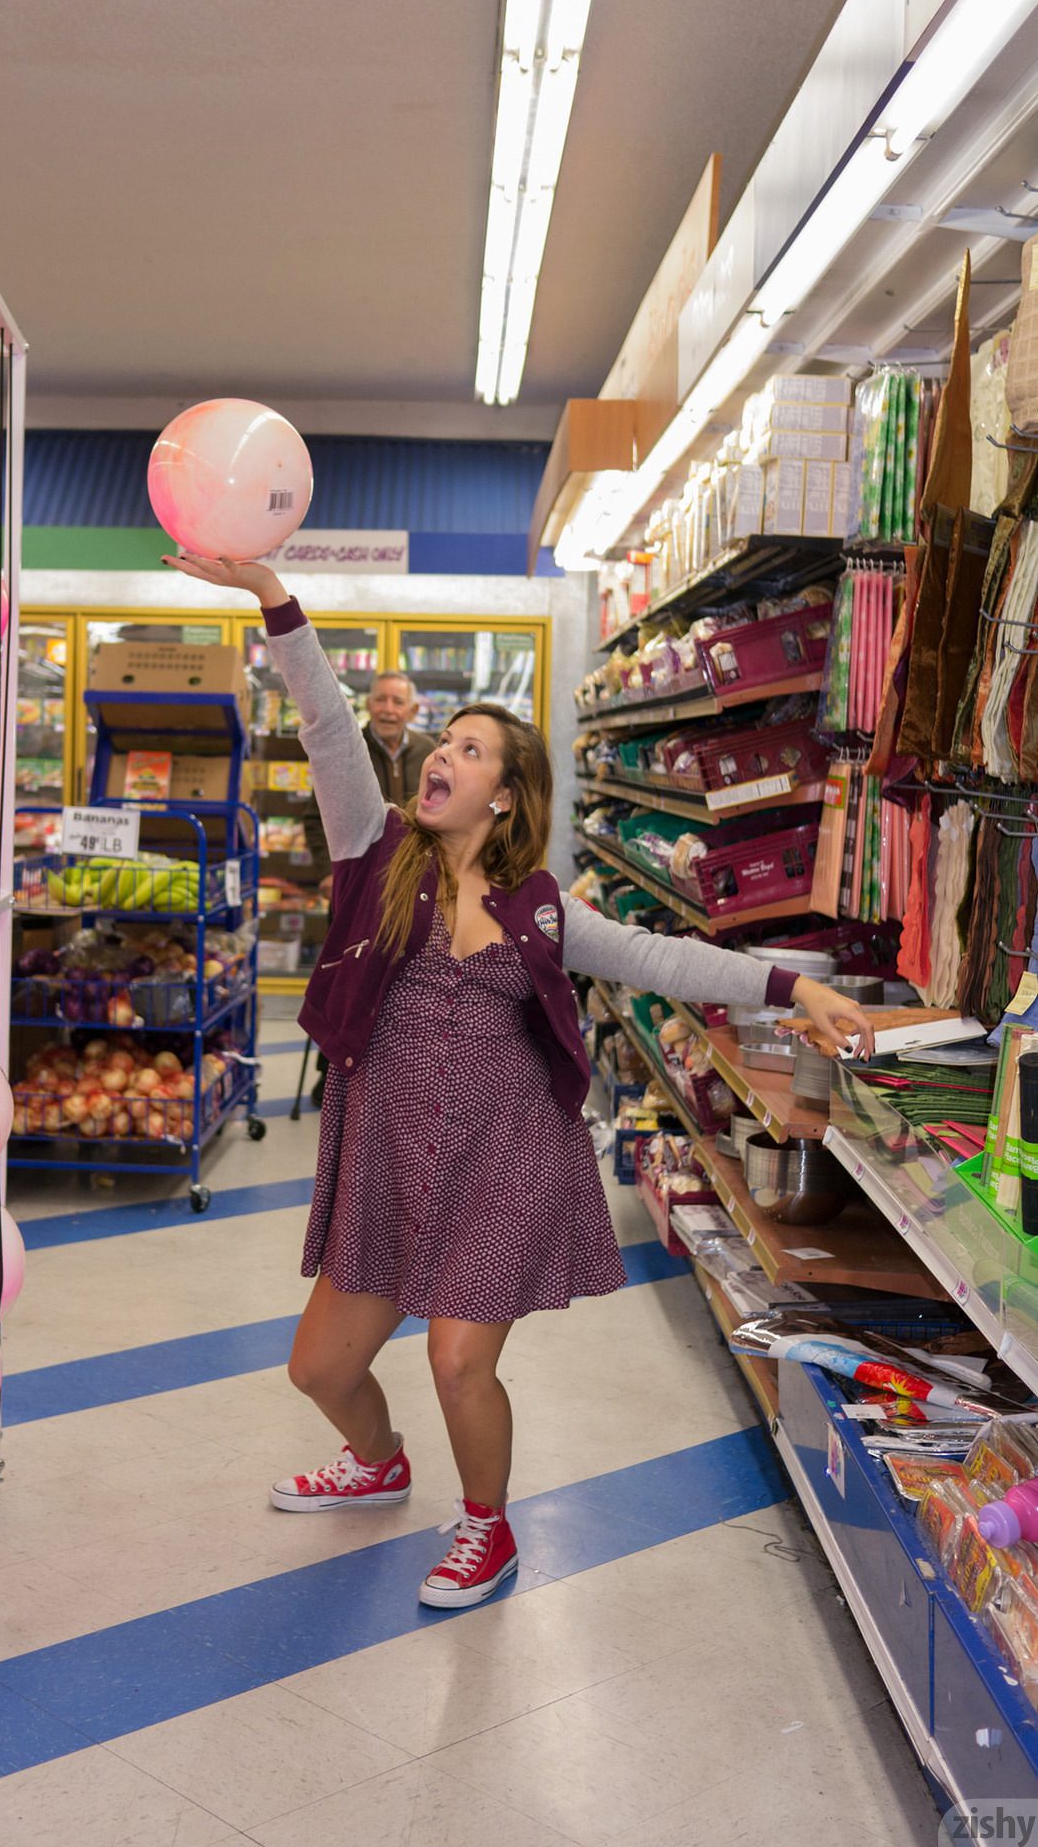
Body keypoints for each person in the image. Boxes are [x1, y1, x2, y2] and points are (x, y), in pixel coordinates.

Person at [165, 548, 875, 1612]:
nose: (440, 756)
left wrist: (794, 986)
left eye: (469, 748)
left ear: (503, 796)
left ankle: (485, 1529)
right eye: (442, 741)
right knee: (317, 1370)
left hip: (505, 1157)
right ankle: (378, 1463)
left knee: (459, 1359)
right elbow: (324, 726)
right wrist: (275, 599)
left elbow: (663, 959)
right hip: (389, 1160)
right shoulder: (373, 852)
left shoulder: (541, 908)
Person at [303, 672, 436, 1102]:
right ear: (369, 704)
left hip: (413, 891)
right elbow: (314, 818)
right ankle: (331, 1072)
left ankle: (391, 1071)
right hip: (354, 888)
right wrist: (326, 872)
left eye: (397, 702)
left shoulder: (431, 753)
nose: (388, 710)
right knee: (343, 980)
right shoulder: (349, 749)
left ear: (412, 710)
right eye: (381, 700)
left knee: (399, 981)